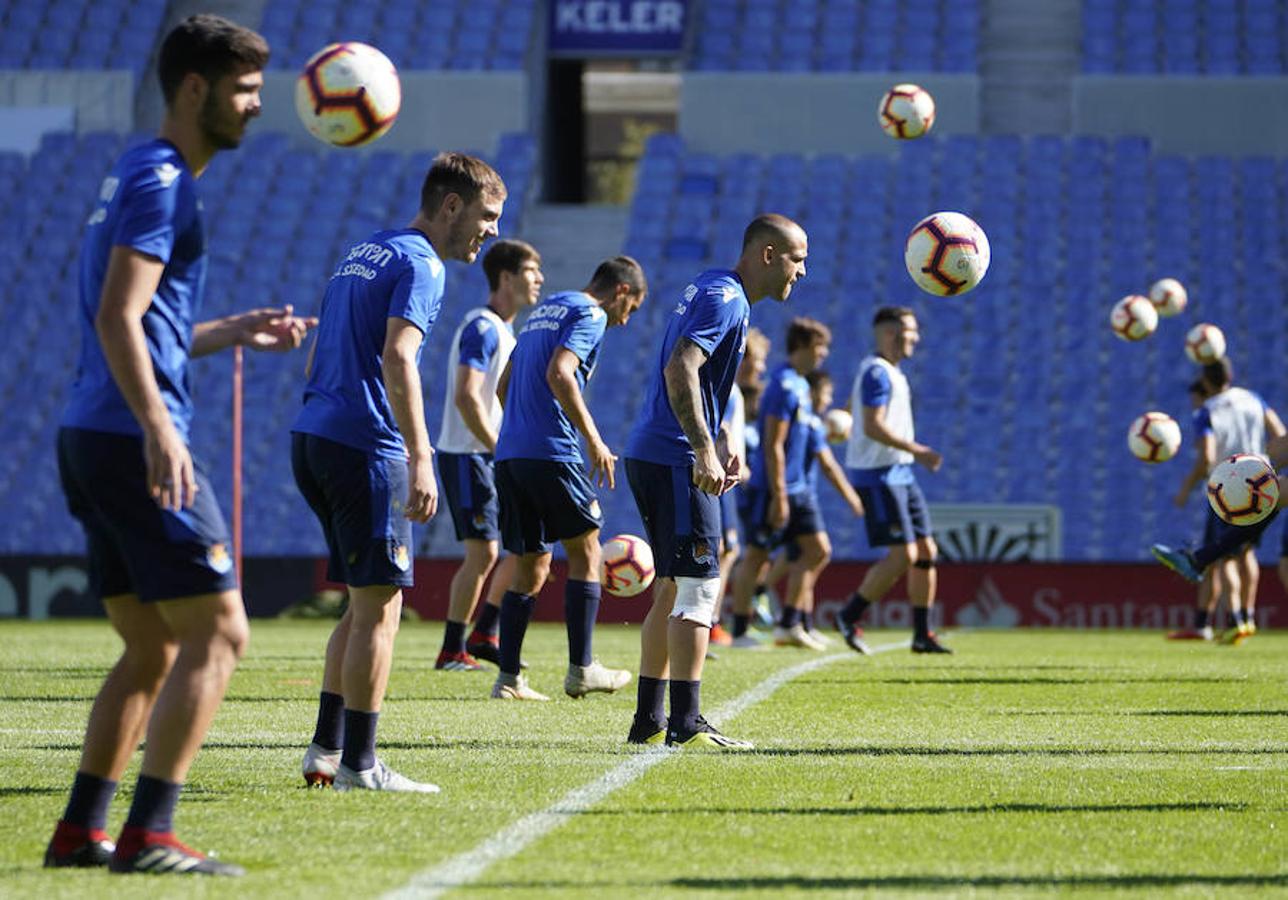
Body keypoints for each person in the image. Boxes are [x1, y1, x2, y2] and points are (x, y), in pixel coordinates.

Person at [48, 16, 314, 876]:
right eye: (242, 90)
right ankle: (150, 835)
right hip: (132, 436)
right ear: (194, 89)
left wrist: (230, 331)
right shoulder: (165, 183)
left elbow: (145, 324)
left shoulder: (137, 169)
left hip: (91, 434)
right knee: (222, 633)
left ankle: (80, 830)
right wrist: (163, 429)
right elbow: (117, 315)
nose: (255, 107)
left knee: (153, 644)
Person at [295, 152, 506, 792]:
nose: (490, 230)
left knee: (362, 608)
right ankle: (362, 763)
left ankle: (326, 751)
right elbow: (399, 355)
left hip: (314, 436)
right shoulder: (422, 262)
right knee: (381, 612)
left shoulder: (366, 251)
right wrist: (419, 454)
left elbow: (316, 358)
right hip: (367, 446)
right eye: (487, 216)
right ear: (451, 206)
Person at [625, 213, 808, 749]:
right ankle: (686, 723)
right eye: (797, 258)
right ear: (768, 256)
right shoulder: (725, 298)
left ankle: (649, 719)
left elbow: (699, 380)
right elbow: (681, 367)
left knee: (672, 587)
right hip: (675, 456)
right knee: (701, 586)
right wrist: (703, 449)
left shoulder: (716, 289)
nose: (803, 269)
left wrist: (722, 432)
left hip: (654, 451)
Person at [489, 257, 647, 701]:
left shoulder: (547, 308)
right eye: (631, 307)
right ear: (620, 292)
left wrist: (523, 427)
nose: (626, 319)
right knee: (588, 549)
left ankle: (508, 679)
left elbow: (504, 384)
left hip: (511, 454)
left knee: (531, 564)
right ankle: (582, 669)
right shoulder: (590, 313)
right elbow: (559, 373)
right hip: (550, 452)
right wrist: (593, 439)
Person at [433, 239, 544, 671]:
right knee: (482, 554)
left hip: (489, 454)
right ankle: (450, 649)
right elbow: (465, 395)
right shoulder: (481, 326)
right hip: (469, 453)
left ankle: (484, 634)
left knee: (517, 547)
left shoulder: (504, 330)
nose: (539, 280)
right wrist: (500, 448)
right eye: (532, 272)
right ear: (506, 277)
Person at [836, 306, 950, 654]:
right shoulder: (877, 373)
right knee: (903, 555)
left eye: (915, 331)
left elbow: (856, 414)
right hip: (879, 474)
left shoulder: (891, 373)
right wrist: (919, 450)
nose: (913, 337)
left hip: (899, 472)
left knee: (926, 551)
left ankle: (921, 634)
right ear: (887, 333)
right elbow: (872, 425)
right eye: (906, 330)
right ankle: (849, 614)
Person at [1155, 360, 1285, 642]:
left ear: (1207, 383)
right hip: (1260, 480)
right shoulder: (1252, 398)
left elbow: (1206, 457)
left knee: (1227, 559)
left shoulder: (1207, 410)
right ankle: (1245, 616)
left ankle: (1234, 618)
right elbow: (1278, 431)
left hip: (1230, 486)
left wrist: (1186, 488)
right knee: (1247, 553)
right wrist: (1262, 464)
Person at [729, 318, 834, 651]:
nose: (824, 354)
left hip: (798, 488)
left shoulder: (801, 386)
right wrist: (779, 495)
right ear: (801, 348)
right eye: (819, 347)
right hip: (772, 488)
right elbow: (773, 443)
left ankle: (791, 622)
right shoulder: (783, 386)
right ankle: (741, 629)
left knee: (818, 551)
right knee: (757, 556)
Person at [774, 370, 864, 648]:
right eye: (825, 394)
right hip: (799, 495)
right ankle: (788, 622)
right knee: (818, 552)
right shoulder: (810, 423)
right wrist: (852, 498)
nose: (827, 400)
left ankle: (802, 623)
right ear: (812, 392)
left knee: (807, 558)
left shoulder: (808, 422)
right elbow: (829, 465)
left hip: (798, 493)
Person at [712, 327, 770, 648]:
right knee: (723, 550)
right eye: (757, 361)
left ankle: (711, 623)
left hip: (726, 481)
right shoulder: (728, 390)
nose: (760, 368)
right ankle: (709, 624)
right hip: (718, 481)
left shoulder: (732, 390)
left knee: (726, 551)